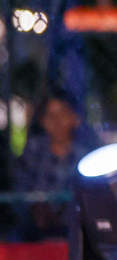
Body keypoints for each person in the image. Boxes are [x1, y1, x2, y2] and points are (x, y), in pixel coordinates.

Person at [14, 93, 95, 240]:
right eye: (50, 115)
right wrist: (36, 210)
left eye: (62, 114)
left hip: (77, 230)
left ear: (75, 118)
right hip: (35, 232)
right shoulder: (33, 152)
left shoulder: (88, 156)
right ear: (42, 121)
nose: (56, 121)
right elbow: (21, 190)